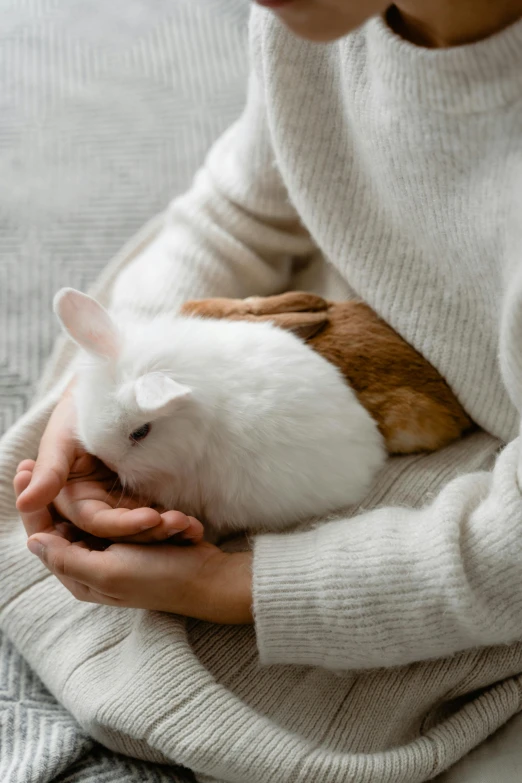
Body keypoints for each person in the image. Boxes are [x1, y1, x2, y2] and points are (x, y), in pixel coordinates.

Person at [9, 0, 522, 778]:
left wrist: (239, 586)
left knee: (253, 701)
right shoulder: (318, 24)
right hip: (367, 337)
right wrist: (100, 393)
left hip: (481, 458)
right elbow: (236, 214)